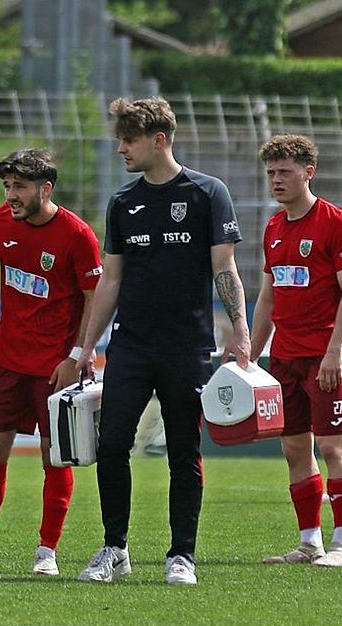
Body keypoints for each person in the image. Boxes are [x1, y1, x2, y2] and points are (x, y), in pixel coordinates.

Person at [73, 97, 251, 586]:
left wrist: (241, 330)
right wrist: (85, 347)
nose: (120, 149)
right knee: (110, 445)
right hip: (129, 346)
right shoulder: (122, 202)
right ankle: (115, 548)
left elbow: (225, 269)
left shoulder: (206, 192)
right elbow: (110, 280)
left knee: (182, 451)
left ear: (159, 139)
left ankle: (182, 555)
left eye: (128, 140)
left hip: (187, 347)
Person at [0, 149, 102, 576]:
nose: (11, 194)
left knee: (55, 458)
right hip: (7, 362)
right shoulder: (3, 221)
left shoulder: (76, 235)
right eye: (7, 186)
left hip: (55, 367)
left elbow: (94, 299)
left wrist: (76, 356)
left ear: (45, 188)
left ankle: (47, 554)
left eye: (20, 187)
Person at [251, 134, 342, 568]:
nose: (276, 180)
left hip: (325, 356)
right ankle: (309, 542)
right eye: (271, 173)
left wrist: (336, 350)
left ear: (308, 173)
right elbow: (267, 298)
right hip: (284, 357)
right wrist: (251, 354)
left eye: (285, 171)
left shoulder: (335, 222)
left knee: (334, 446)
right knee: (295, 449)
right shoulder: (274, 228)